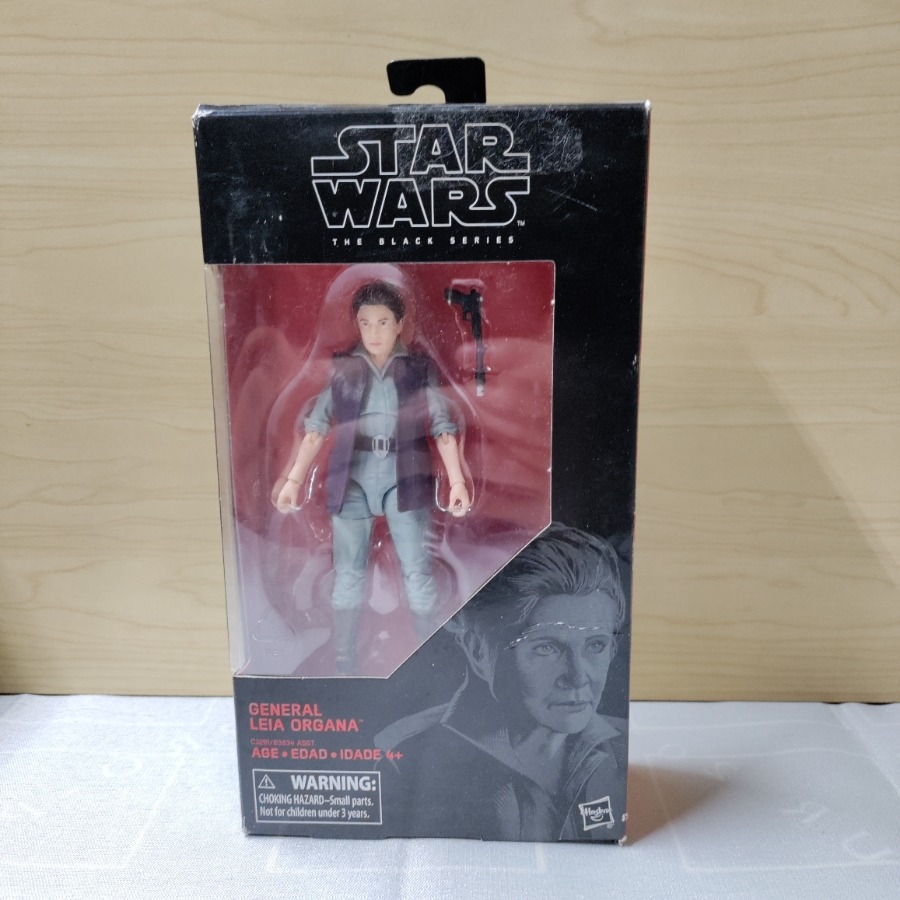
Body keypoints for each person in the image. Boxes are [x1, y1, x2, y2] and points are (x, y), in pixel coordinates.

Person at [375, 524, 629, 841]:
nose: (578, 677)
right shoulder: (403, 756)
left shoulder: (623, 747)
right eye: (546, 648)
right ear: (477, 648)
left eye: (596, 645)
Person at [274, 280, 471, 674]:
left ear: (399, 324)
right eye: (365, 323)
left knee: (417, 572)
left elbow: (443, 426)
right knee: (348, 575)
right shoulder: (345, 368)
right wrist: (293, 479)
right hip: (353, 478)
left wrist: (458, 481)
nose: (374, 332)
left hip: (405, 477)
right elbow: (316, 426)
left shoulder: (417, 370)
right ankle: (344, 660)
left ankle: (429, 660)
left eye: (382, 322)